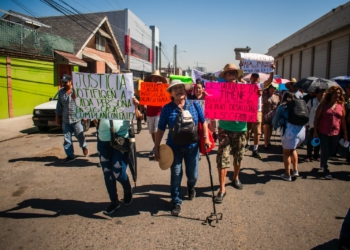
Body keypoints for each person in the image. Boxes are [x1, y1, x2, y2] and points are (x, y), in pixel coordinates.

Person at [154, 80, 211, 216]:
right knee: (176, 175)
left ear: (185, 91)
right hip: (174, 148)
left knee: (193, 175)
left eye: (181, 88)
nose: (179, 90)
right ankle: (176, 201)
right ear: (171, 94)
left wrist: (206, 138)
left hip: (192, 148)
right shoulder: (167, 109)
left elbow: (204, 122)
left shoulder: (194, 105)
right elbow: (160, 129)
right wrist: (156, 147)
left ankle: (191, 187)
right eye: (175, 89)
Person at [214, 63, 259, 203]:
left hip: (240, 129)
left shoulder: (246, 89)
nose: (231, 75)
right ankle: (222, 189)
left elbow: (253, 100)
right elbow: (212, 101)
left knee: (238, 157)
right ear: (225, 76)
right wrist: (206, 96)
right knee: (223, 158)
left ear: (237, 75)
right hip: (224, 128)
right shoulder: (220, 89)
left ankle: (235, 177)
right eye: (228, 73)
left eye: (234, 73)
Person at [98, 97, 140, 215]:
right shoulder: (99, 94)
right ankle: (114, 201)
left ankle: (127, 189)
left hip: (121, 139)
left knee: (118, 172)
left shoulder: (127, 94)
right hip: (103, 139)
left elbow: (137, 117)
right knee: (107, 172)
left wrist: (135, 107)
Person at [314, 86, 348, 180]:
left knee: (332, 151)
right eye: (336, 93)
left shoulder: (341, 105)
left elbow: (343, 120)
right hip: (323, 131)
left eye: (339, 93)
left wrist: (345, 133)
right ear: (331, 94)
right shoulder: (323, 105)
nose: (338, 95)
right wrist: (315, 131)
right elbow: (316, 118)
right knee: (325, 149)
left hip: (336, 132)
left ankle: (323, 161)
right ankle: (325, 169)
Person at [272, 92, 306, 181]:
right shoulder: (298, 106)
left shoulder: (282, 107)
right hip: (301, 131)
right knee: (293, 150)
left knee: (286, 152)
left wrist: (275, 126)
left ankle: (287, 174)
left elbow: (275, 120)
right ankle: (295, 170)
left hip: (289, 132)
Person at [55, 74, 88, 164]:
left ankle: (84, 146)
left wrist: (85, 115)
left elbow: (83, 104)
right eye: (62, 82)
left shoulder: (76, 91)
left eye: (66, 82)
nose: (64, 84)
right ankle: (70, 155)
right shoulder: (61, 92)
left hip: (76, 119)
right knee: (67, 138)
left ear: (70, 82)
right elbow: (59, 106)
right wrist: (57, 118)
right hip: (65, 120)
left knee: (80, 136)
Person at [244, 65, 275, 158]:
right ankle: (247, 142)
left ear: (258, 79)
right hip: (247, 111)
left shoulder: (260, 85)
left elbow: (269, 80)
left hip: (257, 111)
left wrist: (272, 70)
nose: (254, 78)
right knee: (247, 130)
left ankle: (255, 149)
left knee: (257, 132)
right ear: (251, 78)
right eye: (253, 77)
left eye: (256, 77)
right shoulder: (246, 85)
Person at [140, 70, 168, 158]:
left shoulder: (163, 88)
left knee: (156, 131)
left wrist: (162, 87)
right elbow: (143, 99)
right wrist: (141, 110)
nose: (155, 79)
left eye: (157, 78)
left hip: (159, 113)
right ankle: (156, 147)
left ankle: (156, 148)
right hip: (149, 113)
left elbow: (169, 93)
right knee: (152, 132)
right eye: (154, 77)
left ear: (159, 79)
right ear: (151, 79)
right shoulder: (147, 88)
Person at [305, 87, 325, 162]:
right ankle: (308, 155)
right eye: (321, 93)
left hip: (322, 125)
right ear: (316, 94)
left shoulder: (325, 103)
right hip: (312, 124)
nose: (323, 94)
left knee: (319, 141)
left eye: (324, 93)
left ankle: (316, 155)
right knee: (310, 140)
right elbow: (307, 112)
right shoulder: (312, 101)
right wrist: (306, 123)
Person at [262, 81, 280, 150]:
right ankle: (265, 143)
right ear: (269, 89)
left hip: (273, 115)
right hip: (266, 114)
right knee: (266, 128)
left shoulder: (277, 97)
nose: (273, 89)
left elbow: (278, 105)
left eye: (274, 88)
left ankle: (268, 140)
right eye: (272, 88)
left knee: (270, 128)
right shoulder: (264, 95)